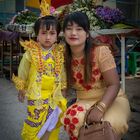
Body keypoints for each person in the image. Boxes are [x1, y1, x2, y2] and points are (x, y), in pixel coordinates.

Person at [61, 11, 131, 140]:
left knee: (109, 124)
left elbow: (114, 84)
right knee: (71, 118)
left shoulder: (100, 51)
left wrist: (100, 108)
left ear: (87, 33)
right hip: (84, 100)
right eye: (69, 29)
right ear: (63, 33)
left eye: (79, 29)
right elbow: (61, 88)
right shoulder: (62, 56)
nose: (73, 33)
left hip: (111, 99)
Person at [12, 15, 67, 140]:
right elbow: (23, 70)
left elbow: (62, 72)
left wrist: (63, 88)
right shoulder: (31, 52)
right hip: (36, 95)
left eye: (52, 33)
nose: (48, 37)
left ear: (57, 35)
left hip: (54, 94)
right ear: (37, 35)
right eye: (43, 33)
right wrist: (21, 87)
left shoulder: (58, 52)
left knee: (52, 121)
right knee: (35, 122)